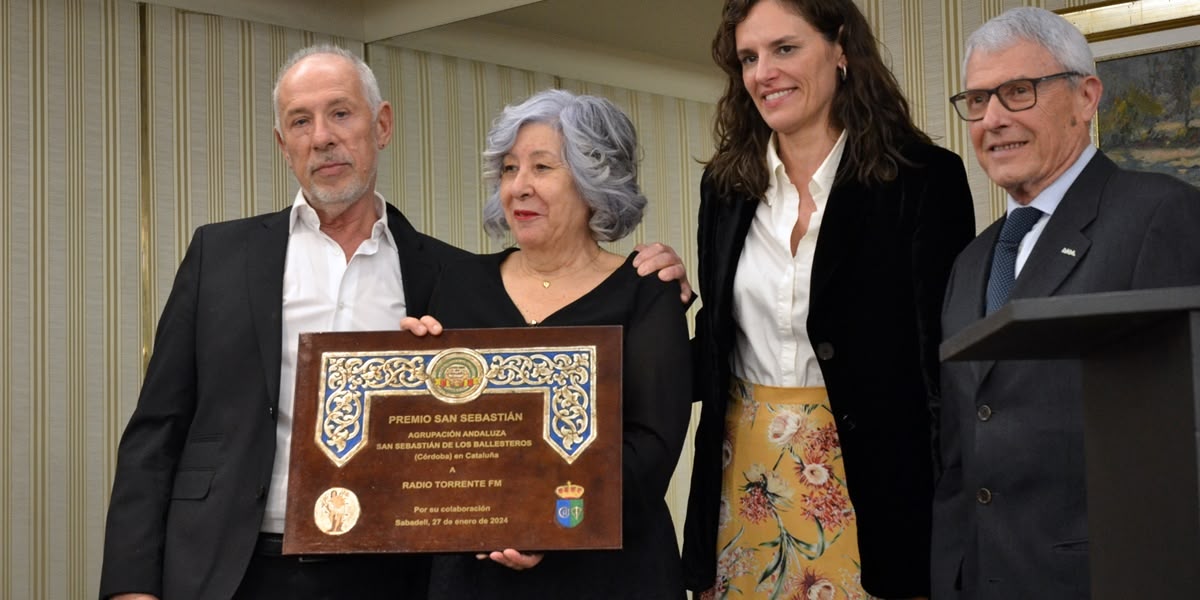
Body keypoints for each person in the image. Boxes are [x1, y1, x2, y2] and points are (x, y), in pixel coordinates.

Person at [97, 46, 687, 600]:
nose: (322, 137)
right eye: (301, 122)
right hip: (230, 564)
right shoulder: (218, 256)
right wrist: (131, 582)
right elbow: (156, 429)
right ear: (283, 143)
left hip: (392, 572)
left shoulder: (442, 274)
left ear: (381, 126)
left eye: (340, 114)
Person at [679, 1, 976, 598]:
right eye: (749, 57)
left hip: (876, 486)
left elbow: (944, 366)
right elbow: (718, 336)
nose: (764, 72)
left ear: (841, 48)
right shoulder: (727, 187)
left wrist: (953, 515)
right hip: (743, 483)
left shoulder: (923, 178)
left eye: (785, 49)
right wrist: (643, 302)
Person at [932, 7, 1200, 599]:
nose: (992, 119)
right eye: (977, 100)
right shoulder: (970, 262)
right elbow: (959, 448)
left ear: (1086, 97)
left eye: (1018, 92)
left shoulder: (1159, 215)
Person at [401, 89, 693, 599]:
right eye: (510, 169)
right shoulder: (458, 283)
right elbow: (436, 440)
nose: (519, 187)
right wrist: (409, 377)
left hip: (610, 574)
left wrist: (546, 525)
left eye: (541, 167)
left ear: (594, 179)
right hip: (476, 573)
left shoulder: (647, 289)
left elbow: (652, 445)